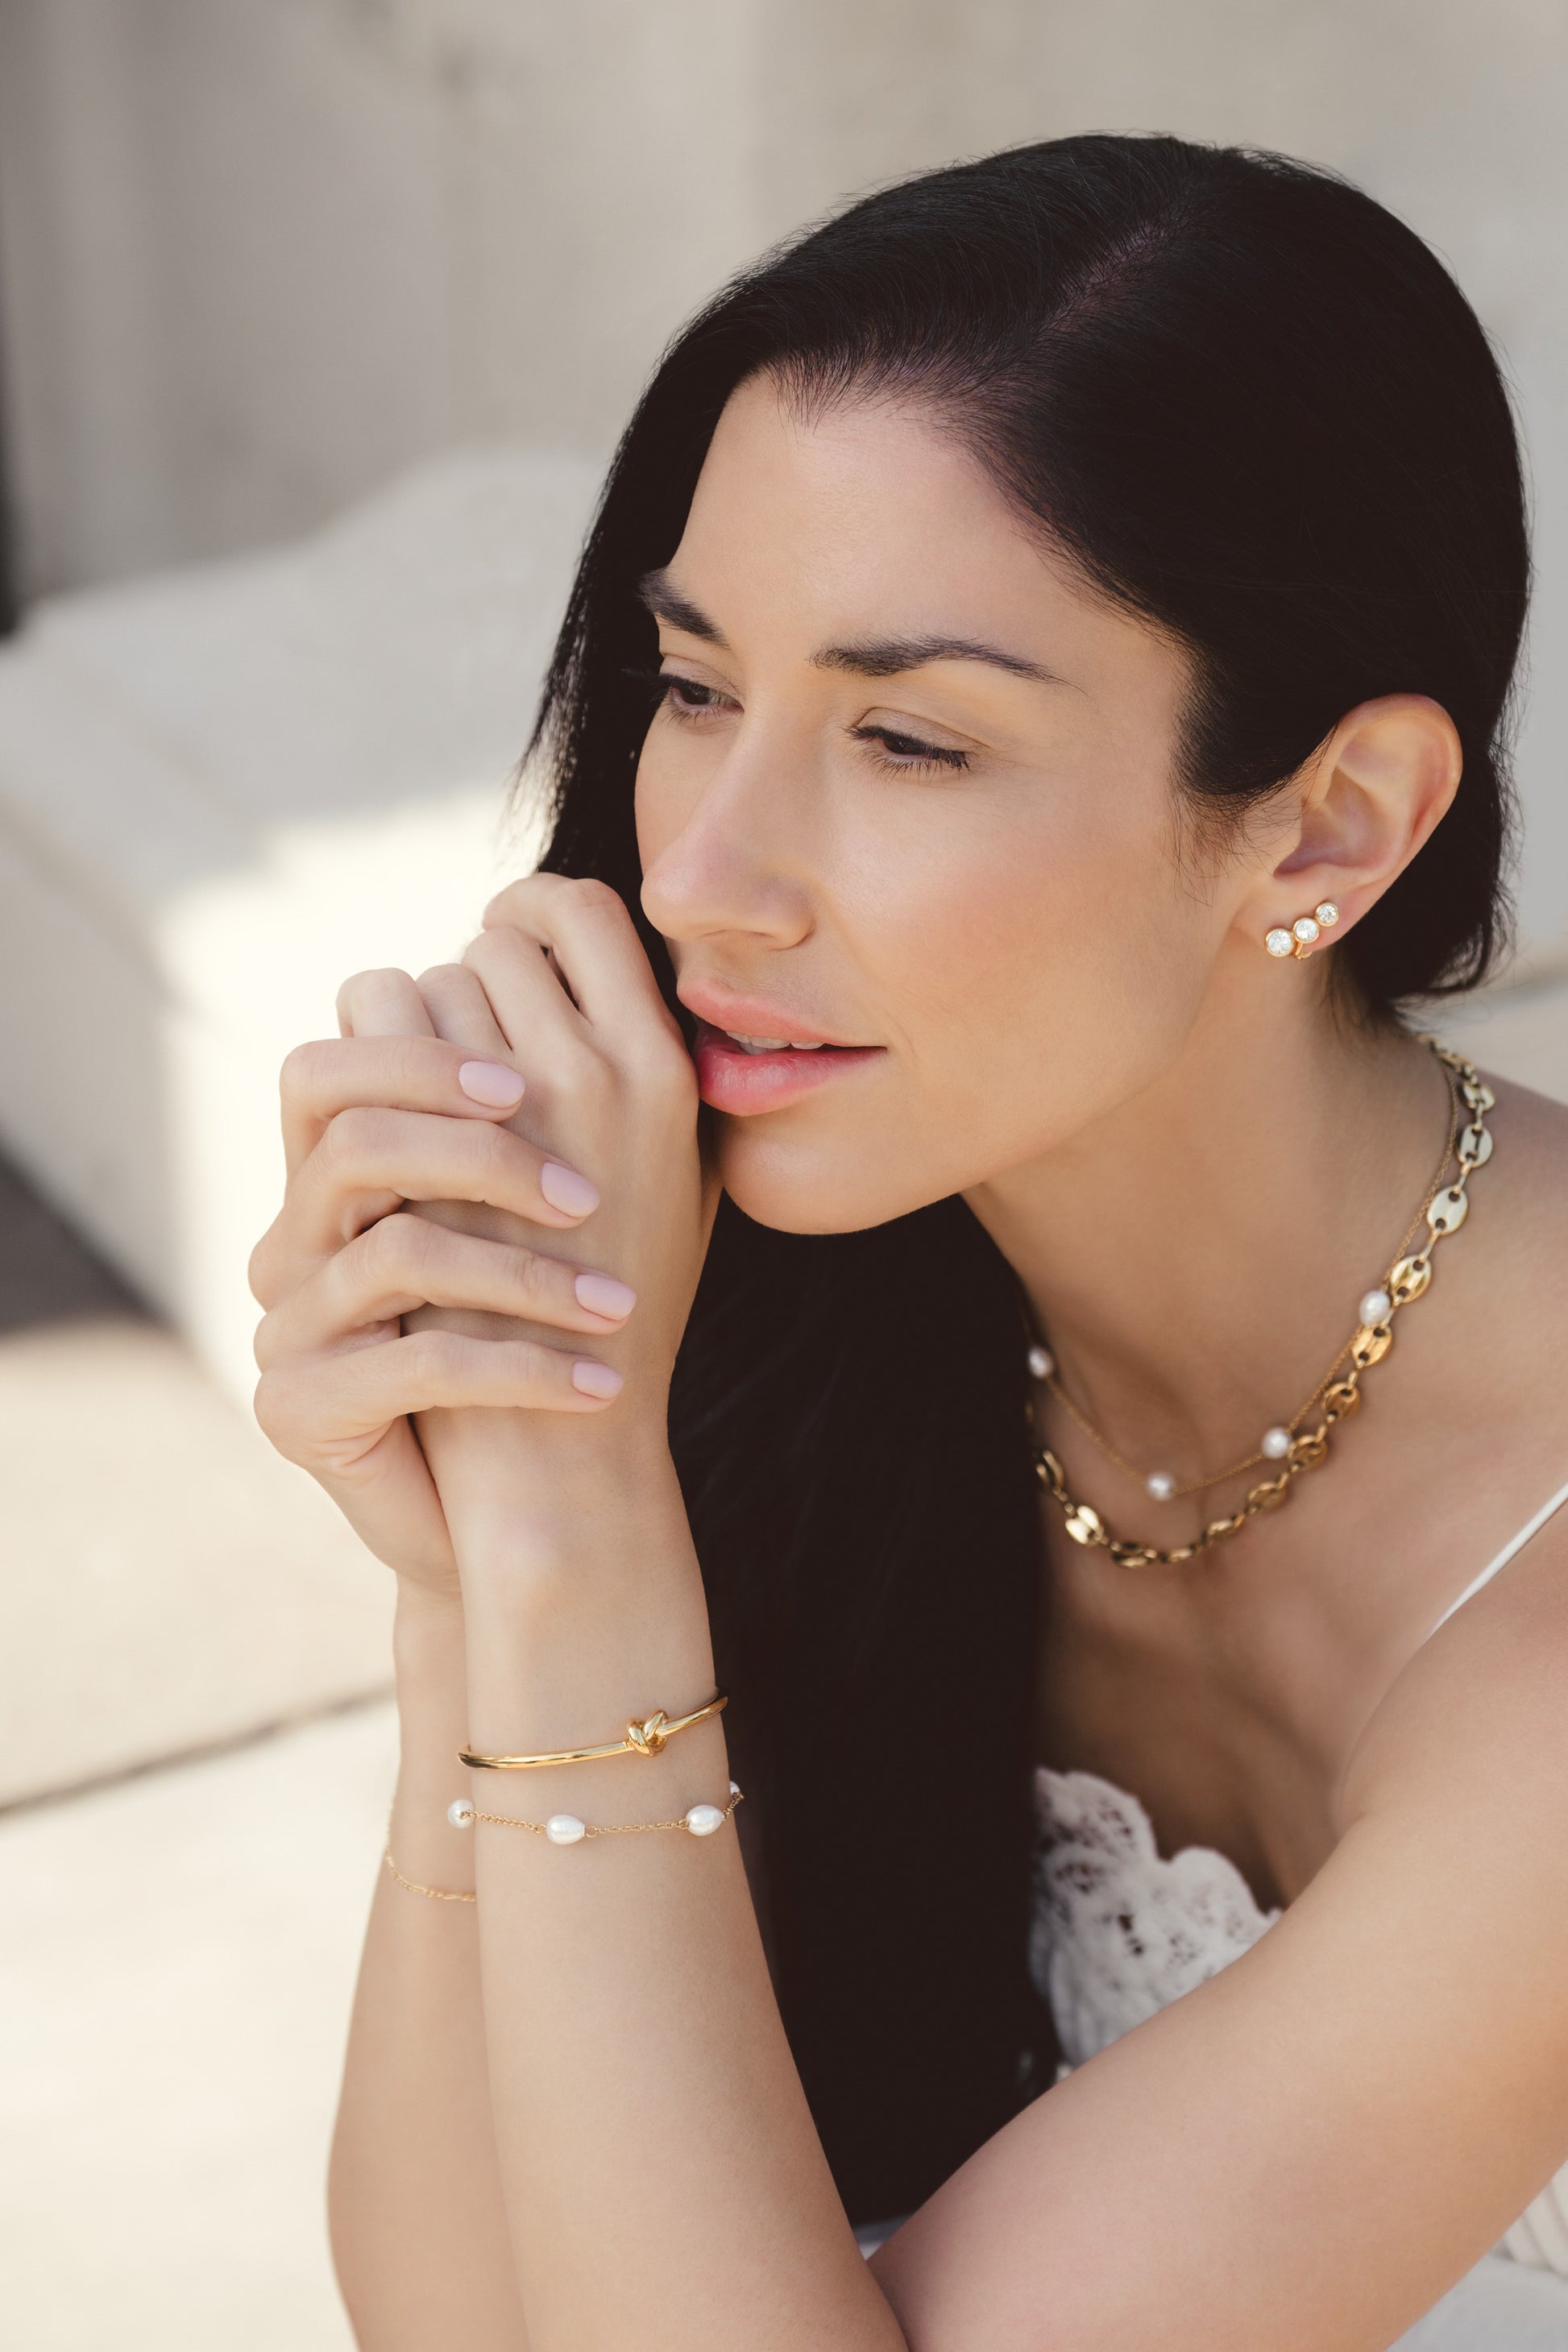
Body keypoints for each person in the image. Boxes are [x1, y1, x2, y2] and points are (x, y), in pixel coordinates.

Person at [249, 135, 1568, 2349]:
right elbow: (463, 2323)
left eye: (909, 740)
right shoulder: (844, 1335)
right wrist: (490, 1557)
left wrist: (591, 1553)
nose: (701, 875)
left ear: (1327, 827)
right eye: (691, 688)